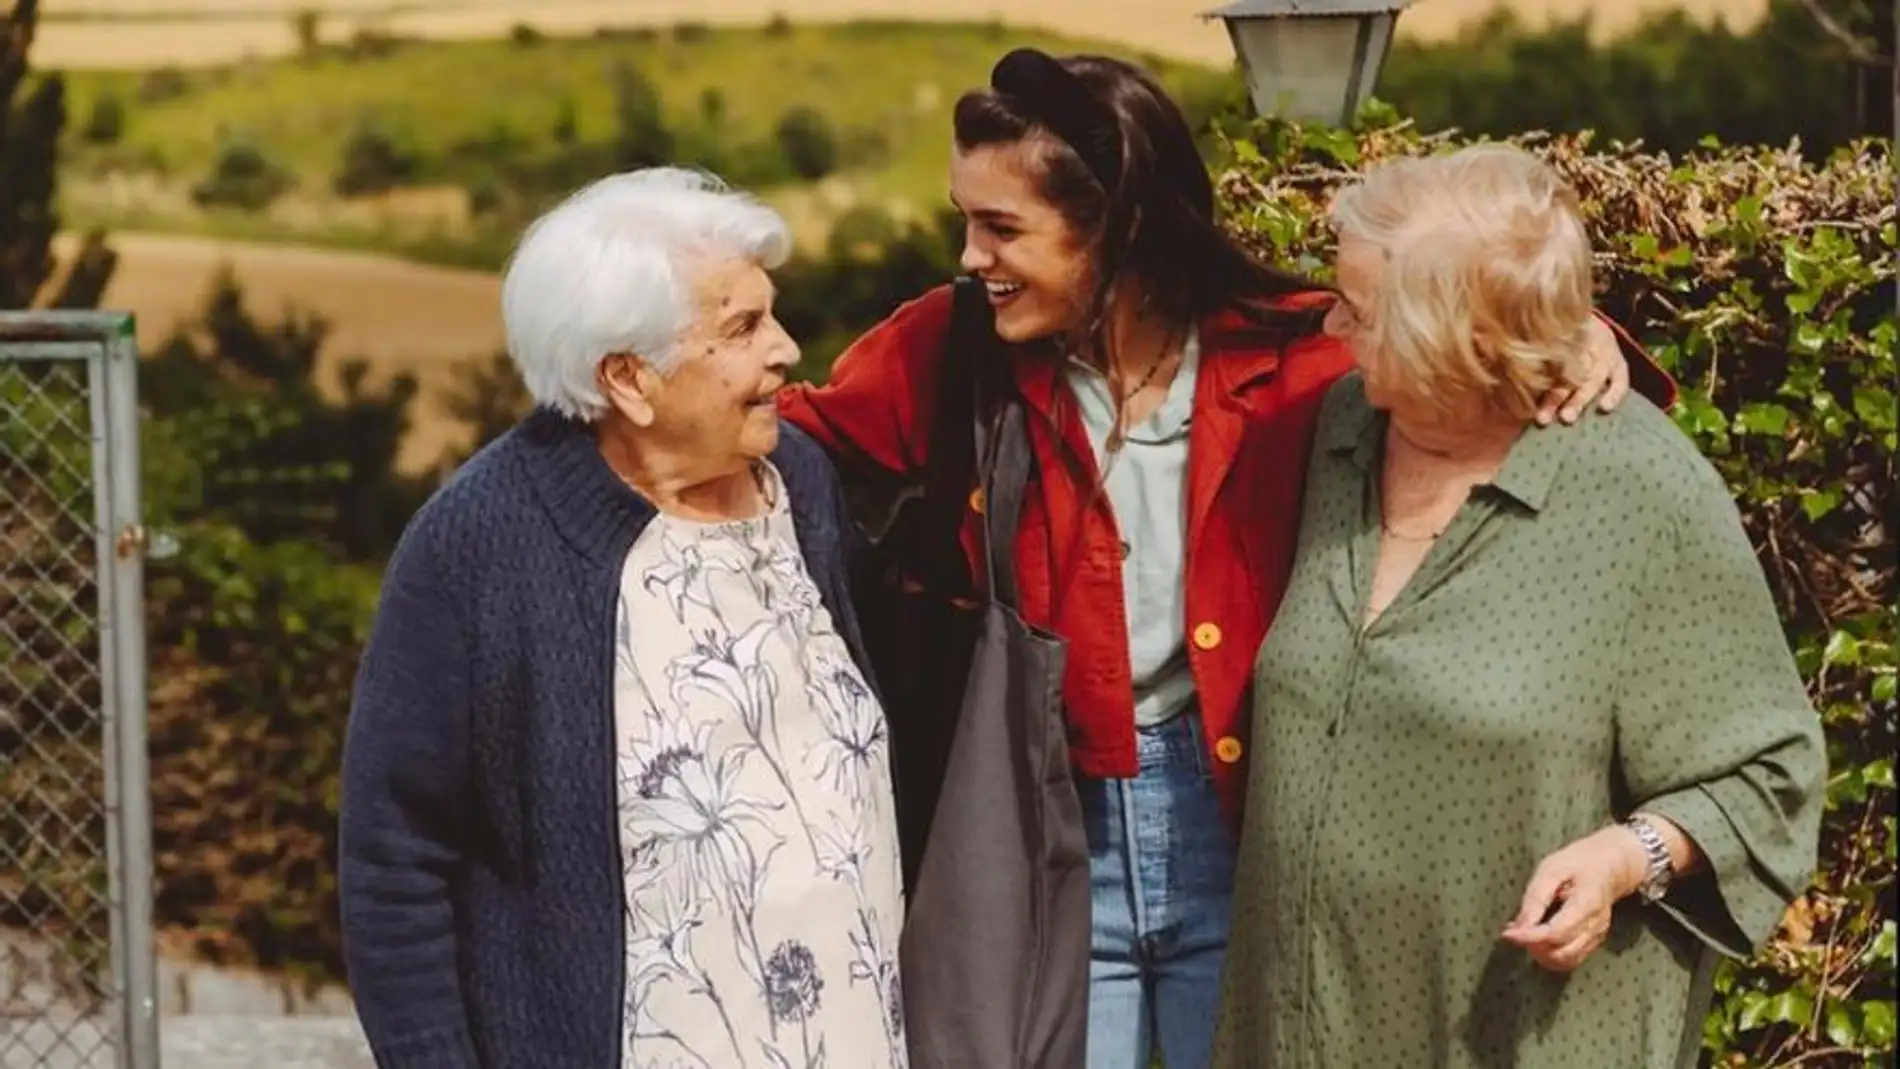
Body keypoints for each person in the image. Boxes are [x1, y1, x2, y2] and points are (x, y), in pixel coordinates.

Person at [777, 48, 1671, 1069]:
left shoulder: (1291, 351)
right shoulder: (954, 346)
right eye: (965, 219)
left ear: (1116, 224)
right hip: (1039, 831)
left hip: (1248, 835)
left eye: (1001, 227)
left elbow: (1459, 340)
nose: (971, 255)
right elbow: (788, 438)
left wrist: (1583, 336)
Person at [1209, 144, 1826, 1069]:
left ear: (1451, 340)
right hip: (1302, 1027)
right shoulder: (1338, 429)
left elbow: (1770, 773)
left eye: (1362, 312)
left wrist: (1629, 858)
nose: (1331, 323)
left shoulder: (1639, 490)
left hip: (1518, 1035)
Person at [338, 168, 908, 1069]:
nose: (788, 349)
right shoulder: (479, 545)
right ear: (629, 378)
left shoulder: (799, 482)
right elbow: (394, 862)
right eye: (743, 328)